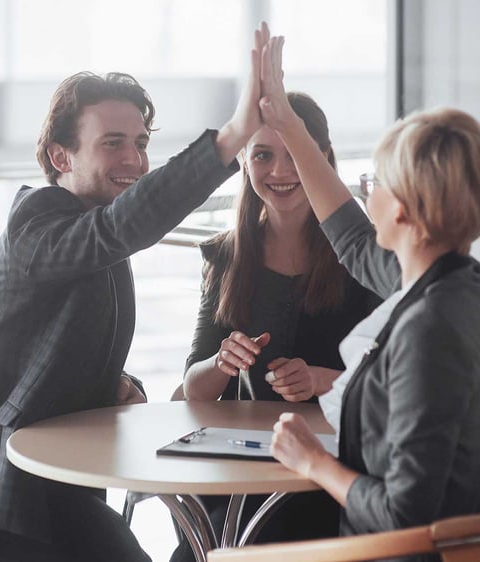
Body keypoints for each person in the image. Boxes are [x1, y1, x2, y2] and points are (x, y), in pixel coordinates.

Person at [0, 24, 277, 562]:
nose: (135, 160)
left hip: (49, 490)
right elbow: (123, 226)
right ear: (60, 157)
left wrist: (116, 384)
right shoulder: (38, 221)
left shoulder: (96, 236)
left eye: (141, 143)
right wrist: (231, 137)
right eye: (113, 143)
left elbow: (70, 336)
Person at [258, 38, 480, 562]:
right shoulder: (452, 280)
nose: (362, 193)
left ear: (400, 210)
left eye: (372, 181)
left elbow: (408, 516)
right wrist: (287, 122)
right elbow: (352, 239)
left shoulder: (431, 325)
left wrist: (311, 462)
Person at [171, 92, 380, 561]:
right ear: (244, 160)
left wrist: (322, 380)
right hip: (242, 472)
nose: (280, 171)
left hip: (330, 469)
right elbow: (193, 389)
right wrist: (221, 362)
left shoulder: (362, 258)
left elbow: (389, 380)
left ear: (322, 158)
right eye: (263, 154)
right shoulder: (224, 256)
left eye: (295, 153)